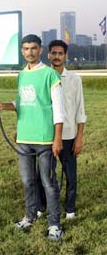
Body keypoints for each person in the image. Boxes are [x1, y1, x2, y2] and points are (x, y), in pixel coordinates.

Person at [0, 34, 64, 242]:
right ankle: (30, 216)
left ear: (40, 50)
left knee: (48, 183)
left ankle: (54, 225)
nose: (29, 52)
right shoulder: (21, 75)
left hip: (44, 140)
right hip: (24, 139)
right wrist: (3, 106)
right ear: (22, 52)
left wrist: (57, 138)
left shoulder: (50, 74)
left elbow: (59, 110)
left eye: (33, 48)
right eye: (25, 49)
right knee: (27, 181)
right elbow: (21, 101)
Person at [37, 40, 87, 219]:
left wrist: (79, 137)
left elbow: (80, 110)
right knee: (43, 176)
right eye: (53, 53)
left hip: (68, 136)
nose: (57, 56)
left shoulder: (74, 79)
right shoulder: (42, 76)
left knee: (71, 176)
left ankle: (70, 210)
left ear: (65, 56)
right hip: (46, 136)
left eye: (60, 53)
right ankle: (41, 208)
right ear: (48, 55)